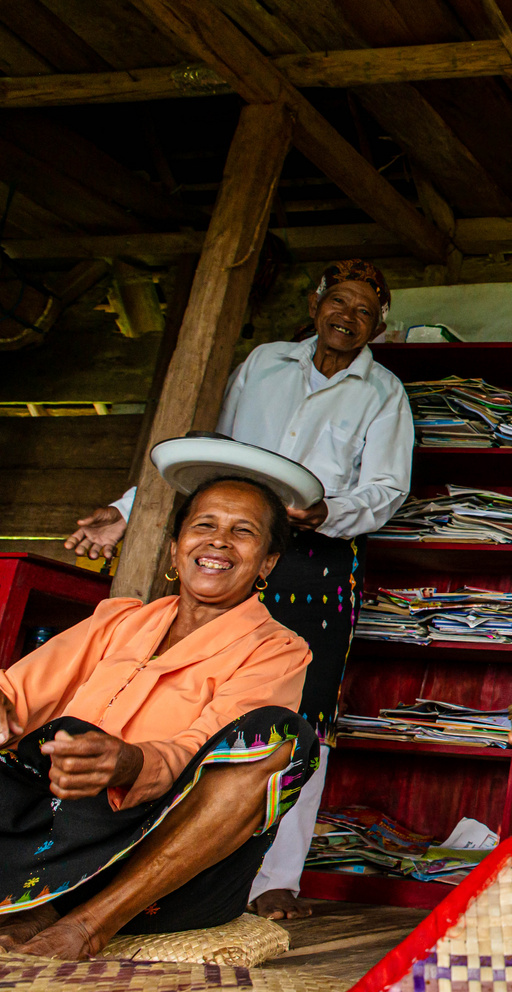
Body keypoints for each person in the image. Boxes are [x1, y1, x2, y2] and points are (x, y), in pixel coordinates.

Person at [64, 258, 413, 921]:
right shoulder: (264, 365)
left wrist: (327, 511)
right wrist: (128, 510)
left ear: (378, 327)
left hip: (314, 562)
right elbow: (209, 454)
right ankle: (158, 865)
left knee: (301, 716)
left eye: (365, 311)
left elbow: (387, 491)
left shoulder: (382, 393)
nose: (348, 317)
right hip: (228, 547)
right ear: (314, 307)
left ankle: (274, 878)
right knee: (194, 693)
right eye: (338, 302)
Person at [0, 477, 317, 959]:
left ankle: (88, 922)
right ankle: (42, 901)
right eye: (204, 525)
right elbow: (16, 694)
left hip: (161, 869)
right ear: (174, 549)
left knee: (280, 736)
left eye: (243, 531)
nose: (218, 540)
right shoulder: (118, 622)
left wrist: (129, 764)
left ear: (267, 563)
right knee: (66, 737)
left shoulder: (277, 651)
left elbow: (200, 753)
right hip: (50, 835)